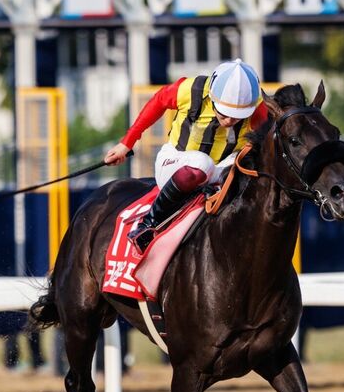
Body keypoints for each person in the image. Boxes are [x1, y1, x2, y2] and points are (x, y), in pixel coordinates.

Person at [105, 58, 268, 252]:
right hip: (177, 163)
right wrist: (126, 143)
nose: (230, 120)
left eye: (237, 116)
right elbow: (158, 102)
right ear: (213, 96)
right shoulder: (190, 90)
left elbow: (261, 143)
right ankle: (148, 224)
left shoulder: (256, 105)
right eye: (224, 113)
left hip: (219, 172)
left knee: (245, 162)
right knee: (202, 163)